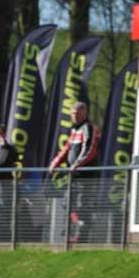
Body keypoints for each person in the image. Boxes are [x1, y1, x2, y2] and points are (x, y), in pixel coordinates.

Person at [48, 101, 100, 242]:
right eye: (72, 114)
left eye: (77, 113)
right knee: (68, 202)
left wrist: (77, 164)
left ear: (84, 113)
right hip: (74, 175)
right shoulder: (75, 130)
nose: (74, 116)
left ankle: (82, 235)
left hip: (87, 175)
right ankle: (77, 228)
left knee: (83, 204)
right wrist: (55, 162)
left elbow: (90, 149)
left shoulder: (88, 127)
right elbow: (67, 148)